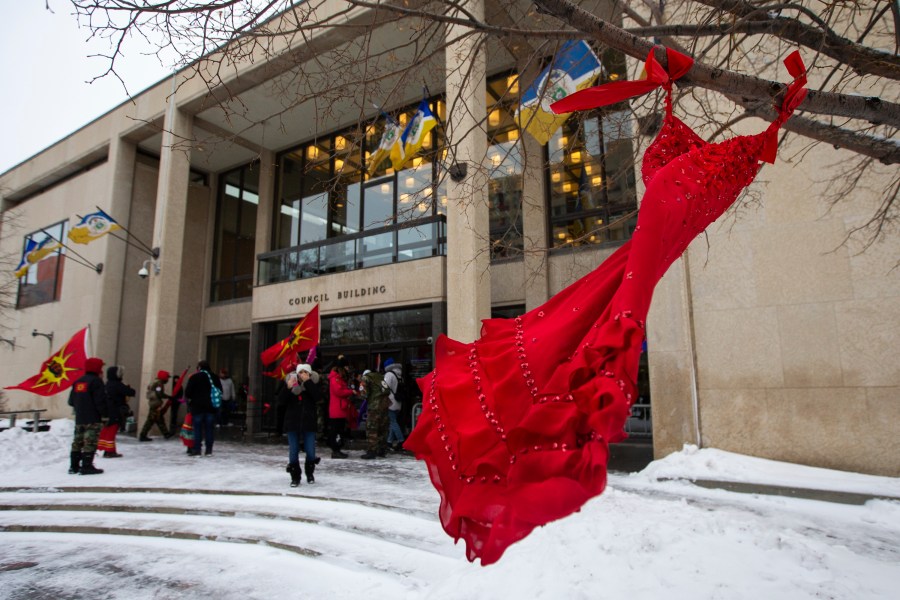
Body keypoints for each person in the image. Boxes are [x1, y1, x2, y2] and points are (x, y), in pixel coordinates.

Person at [404, 48, 809, 565]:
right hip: (647, 240)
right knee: (571, 327)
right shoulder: (715, 152)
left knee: (586, 329)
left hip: (652, 243)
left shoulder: (746, 154)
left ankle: (532, 433)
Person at [279, 364, 321, 486]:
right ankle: (295, 476)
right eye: (300, 372)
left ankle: (310, 473)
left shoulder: (312, 384)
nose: (302, 374)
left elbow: (318, 397)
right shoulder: (290, 383)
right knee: (293, 451)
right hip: (292, 423)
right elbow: (281, 401)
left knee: (310, 450)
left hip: (308, 423)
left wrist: (308, 382)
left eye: (305, 372)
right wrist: (288, 387)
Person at [67, 357, 108, 475]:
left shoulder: (78, 381)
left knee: (77, 442)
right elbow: (100, 401)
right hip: (93, 418)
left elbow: (71, 401)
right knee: (90, 442)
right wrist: (105, 414)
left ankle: (73, 466)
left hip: (80, 418)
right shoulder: (96, 382)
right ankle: (87, 466)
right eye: (101, 367)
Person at [184, 360, 223, 456]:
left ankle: (197, 449)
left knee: (197, 429)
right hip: (211, 407)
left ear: (199, 367)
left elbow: (188, 392)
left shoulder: (194, 377)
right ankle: (209, 450)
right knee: (209, 429)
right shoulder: (214, 377)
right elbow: (220, 390)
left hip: (197, 407)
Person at [98, 365, 135, 458]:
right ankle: (109, 451)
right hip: (116, 411)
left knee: (107, 430)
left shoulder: (107, 384)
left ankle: (107, 449)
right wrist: (128, 387)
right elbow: (131, 392)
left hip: (108, 411)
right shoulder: (117, 384)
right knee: (112, 431)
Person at [360, 368, 390, 459]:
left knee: (372, 428)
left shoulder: (365, 378)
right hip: (384, 405)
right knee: (382, 428)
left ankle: (372, 451)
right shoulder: (380, 377)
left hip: (374, 406)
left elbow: (364, 394)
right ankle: (381, 450)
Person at [327, 355, 353, 459]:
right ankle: (335, 450)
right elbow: (338, 391)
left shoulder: (339, 378)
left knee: (339, 429)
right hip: (337, 408)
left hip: (340, 408)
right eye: (346, 367)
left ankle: (337, 449)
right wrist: (350, 391)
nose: (348, 369)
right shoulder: (335, 378)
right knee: (337, 430)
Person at [140, 370, 173, 441]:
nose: (168, 379)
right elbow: (159, 393)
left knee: (159, 419)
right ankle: (143, 435)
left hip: (154, 403)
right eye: (167, 377)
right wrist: (168, 397)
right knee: (151, 420)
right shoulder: (159, 384)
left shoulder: (155, 382)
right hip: (156, 404)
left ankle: (166, 434)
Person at [383, 358, 405, 451]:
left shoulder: (389, 374)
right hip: (398, 401)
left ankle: (401, 441)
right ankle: (389, 442)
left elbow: (385, 387)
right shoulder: (400, 375)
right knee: (393, 421)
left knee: (392, 422)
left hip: (391, 401)